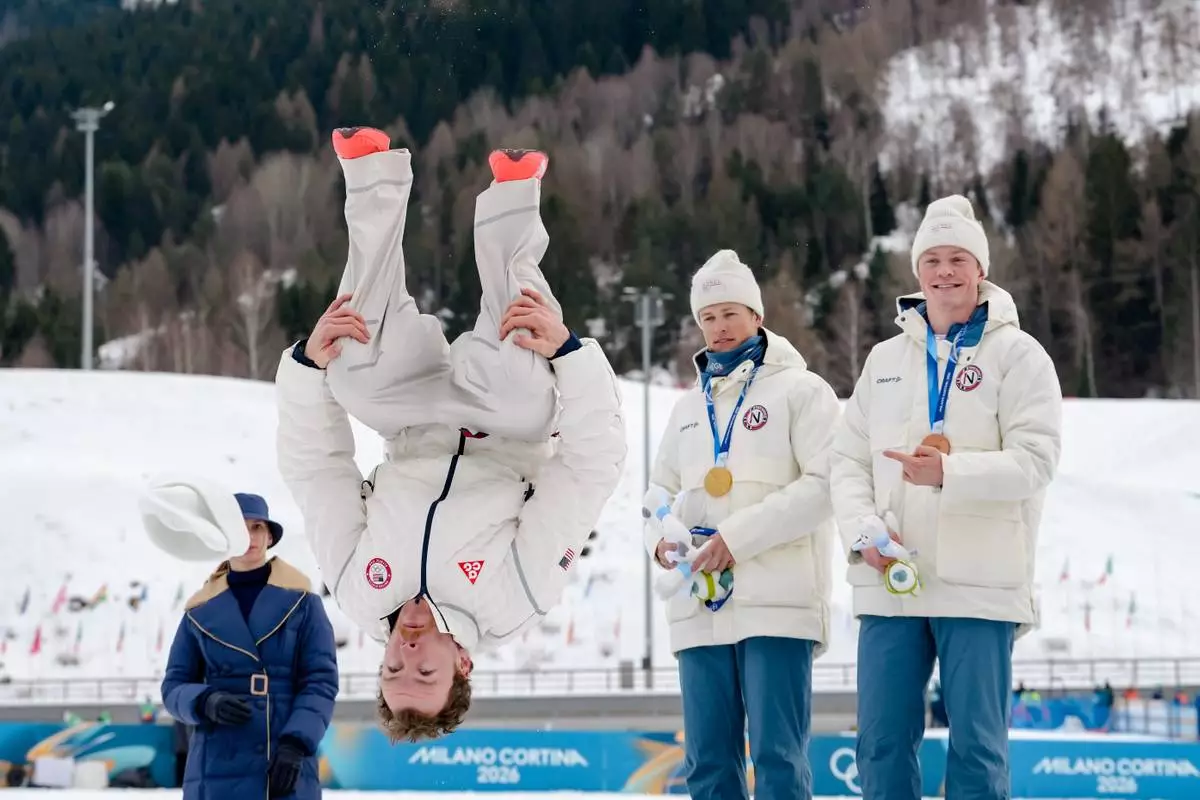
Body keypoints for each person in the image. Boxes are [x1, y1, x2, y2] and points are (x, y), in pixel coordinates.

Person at [274, 126, 626, 743]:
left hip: (413, 422)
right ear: (463, 665)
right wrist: (570, 355)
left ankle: (373, 175)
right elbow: (588, 471)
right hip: (508, 426)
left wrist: (307, 366)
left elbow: (318, 471)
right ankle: (515, 196)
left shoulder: (360, 591)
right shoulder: (511, 599)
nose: (406, 649)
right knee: (521, 367)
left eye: (392, 667)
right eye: (424, 668)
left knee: (351, 369)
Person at [830, 194, 1063, 800]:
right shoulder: (883, 359)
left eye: (958, 257)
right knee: (879, 747)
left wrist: (949, 475)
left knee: (978, 752)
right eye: (932, 259)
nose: (945, 271)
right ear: (917, 272)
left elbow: (1037, 461)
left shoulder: (1020, 355)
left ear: (980, 269)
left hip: (979, 584)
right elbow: (847, 458)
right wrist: (862, 533)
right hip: (892, 578)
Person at [641, 250, 841, 800]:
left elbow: (827, 487)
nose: (719, 327)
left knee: (778, 758)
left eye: (730, 313)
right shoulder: (686, 409)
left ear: (756, 315)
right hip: (699, 604)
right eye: (707, 317)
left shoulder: (803, 392)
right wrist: (660, 542)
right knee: (706, 763)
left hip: (776, 604)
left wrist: (738, 538)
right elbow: (654, 496)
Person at [159, 492, 339, 799]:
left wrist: (297, 743)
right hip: (215, 766)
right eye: (238, 527)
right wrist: (204, 701)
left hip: (284, 762)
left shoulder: (304, 601)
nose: (249, 536)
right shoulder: (198, 610)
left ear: (269, 536)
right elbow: (173, 686)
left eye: (257, 527)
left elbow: (320, 682)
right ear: (224, 536)